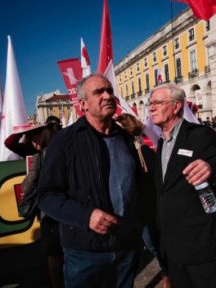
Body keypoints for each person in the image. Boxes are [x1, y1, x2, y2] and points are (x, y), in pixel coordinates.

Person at [37, 74, 143, 288]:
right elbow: (46, 195)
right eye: (99, 92)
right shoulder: (65, 140)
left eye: (110, 90)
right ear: (83, 104)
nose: (108, 96)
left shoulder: (126, 138)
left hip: (126, 246)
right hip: (85, 252)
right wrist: (87, 216)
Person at [149, 83, 216, 288]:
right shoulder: (161, 143)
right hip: (173, 248)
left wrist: (211, 166)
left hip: (201, 244)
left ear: (176, 106)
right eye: (151, 103)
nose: (151, 107)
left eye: (158, 102)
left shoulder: (198, 134)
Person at [116, 113, 170, 288]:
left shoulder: (142, 152)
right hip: (127, 214)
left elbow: (154, 183)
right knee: (129, 254)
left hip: (144, 212)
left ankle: (168, 273)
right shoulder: (119, 153)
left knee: (153, 245)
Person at [20, 120, 63, 288]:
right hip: (70, 208)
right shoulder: (64, 148)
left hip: (49, 211)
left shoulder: (40, 156)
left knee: (54, 254)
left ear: (41, 136)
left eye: (33, 139)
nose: (32, 143)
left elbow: (29, 184)